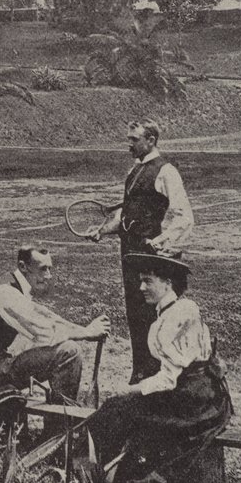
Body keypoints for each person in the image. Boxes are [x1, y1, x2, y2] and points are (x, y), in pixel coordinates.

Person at [79, 252, 232, 483]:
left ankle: (132, 478)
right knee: (117, 408)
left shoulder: (180, 314)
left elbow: (169, 378)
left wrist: (131, 388)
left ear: (167, 283)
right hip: (189, 392)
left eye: (148, 281)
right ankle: (99, 470)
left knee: (126, 408)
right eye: (141, 281)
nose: (141, 287)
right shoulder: (170, 313)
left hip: (198, 401)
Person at [89, 119, 193, 383]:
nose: (129, 144)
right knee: (135, 312)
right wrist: (103, 230)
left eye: (134, 140)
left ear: (151, 140)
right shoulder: (135, 170)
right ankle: (140, 372)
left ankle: (162, 375)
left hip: (150, 256)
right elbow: (125, 214)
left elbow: (184, 217)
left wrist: (157, 243)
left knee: (154, 313)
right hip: (130, 253)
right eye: (129, 139)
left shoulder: (166, 171)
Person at [0, 247, 110, 406]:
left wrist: (85, 329)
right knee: (69, 352)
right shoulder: (5, 292)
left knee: (66, 348)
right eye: (43, 269)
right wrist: (87, 332)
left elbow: (46, 316)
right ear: (23, 266)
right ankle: (60, 425)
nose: (48, 276)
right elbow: (43, 330)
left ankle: (60, 418)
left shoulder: (14, 285)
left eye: (49, 269)